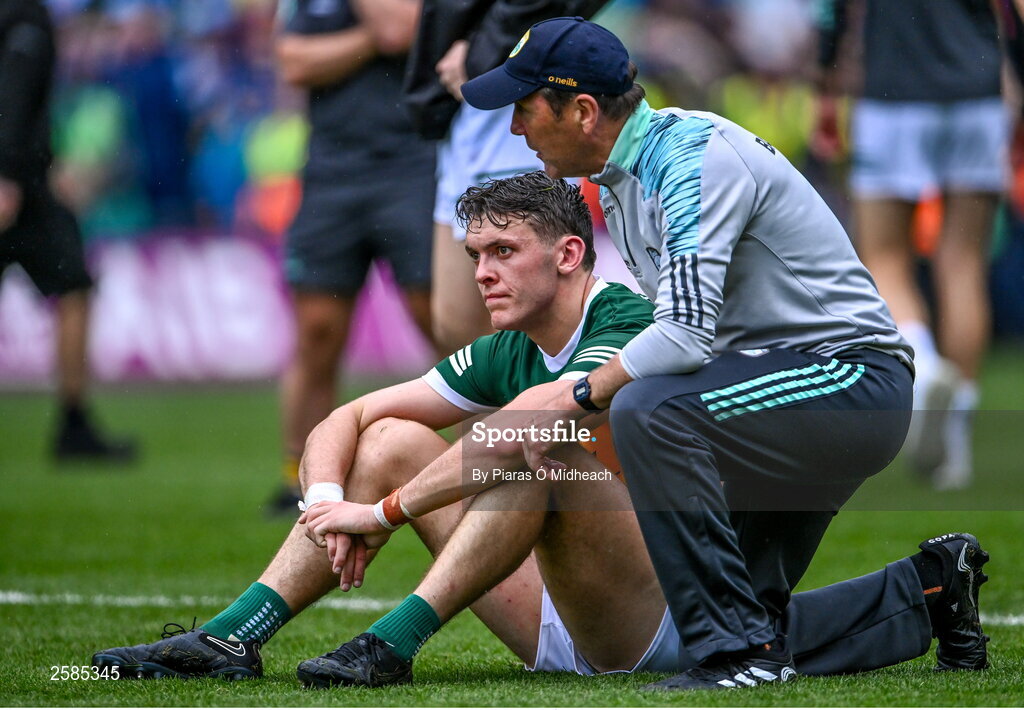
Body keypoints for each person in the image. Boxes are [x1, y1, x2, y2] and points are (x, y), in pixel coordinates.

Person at [92, 174, 988, 690]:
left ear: (568, 255)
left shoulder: (630, 323)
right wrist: (332, 503)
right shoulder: (510, 344)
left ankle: (390, 644)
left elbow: (528, 430)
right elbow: (348, 415)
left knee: (537, 442)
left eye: (500, 252)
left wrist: (392, 513)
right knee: (389, 435)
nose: (480, 272)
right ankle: (232, 637)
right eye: (475, 253)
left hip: (666, 612)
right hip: (573, 613)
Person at [455, 17, 990, 690]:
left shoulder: (689, 158)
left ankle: (738, 658)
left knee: (651, 414)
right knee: (741, 617)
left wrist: (574, 396)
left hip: (847, 381)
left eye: (524, 109)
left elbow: (682, 337)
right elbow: (678, 344)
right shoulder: (626, 179)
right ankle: (934, 591)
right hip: (782, 391)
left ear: (583, 111)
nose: (514, 130)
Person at [813, 0, 1024, 490]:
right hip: (978, 89)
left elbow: (831, 12)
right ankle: (956, 446)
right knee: (964, 261)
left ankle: (924, 370)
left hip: (893, 92)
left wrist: (825, 81)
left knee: (884, 255)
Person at [270, 0, 437, 513]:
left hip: (413, 162)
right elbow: (295, 62)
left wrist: (355, 42)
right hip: (331, 169)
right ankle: (299, 477)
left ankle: (494, 460)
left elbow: (400, 28)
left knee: (440, 318)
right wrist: (370, 40)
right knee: (317, 332)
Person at [403, 0, 610, 354]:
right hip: (459, 104)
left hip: (516, 89)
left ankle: (560, 408)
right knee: (458, 331)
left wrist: (480, 49)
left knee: (534, 332)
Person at [0, 0, 135, 462]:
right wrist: (9, 173)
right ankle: (73, 424)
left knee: (75, 284)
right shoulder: (23, 15)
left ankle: (75, 425)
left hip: (26, 178)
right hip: (21, 185)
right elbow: (14, 91)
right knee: (73, 285)